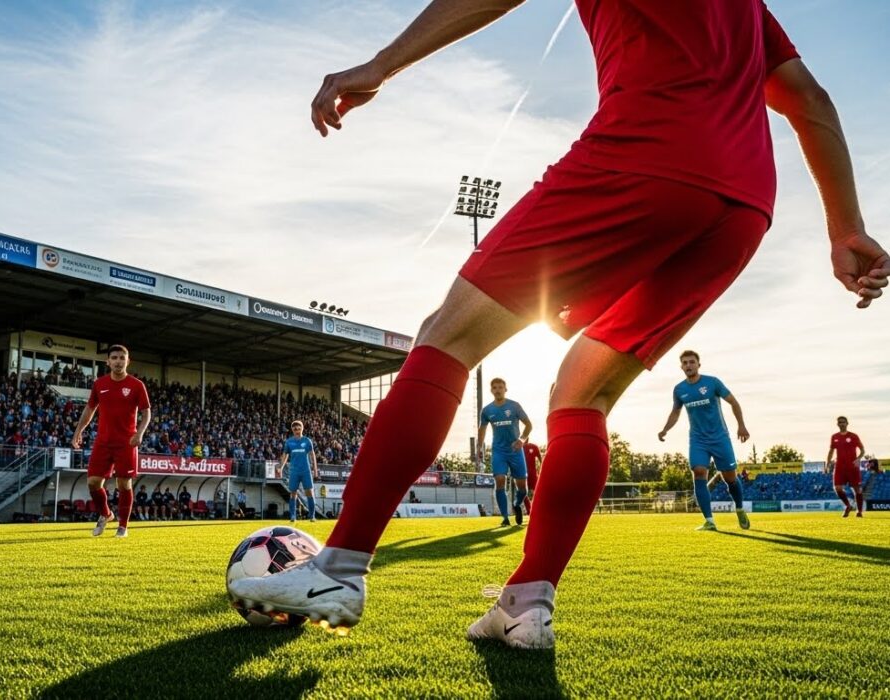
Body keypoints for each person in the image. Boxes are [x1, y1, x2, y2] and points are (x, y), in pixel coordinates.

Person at [229, 0, 889, 651]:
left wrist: (381, 64)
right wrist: (845, 228)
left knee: (448, 337)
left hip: (648, 148)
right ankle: (527, 603)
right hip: (743, 205)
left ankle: (340, 566)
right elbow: (808, 98)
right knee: (583, 391)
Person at [659, 351, 751, 531]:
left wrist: (741, 426)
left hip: (720, 438)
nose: (688, 365)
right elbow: (675, 412)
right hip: (697, 440)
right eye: (685, 363)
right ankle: (709, 521)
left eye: (692, 362)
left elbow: (734, 402)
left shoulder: (712, 382)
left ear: (698, 365)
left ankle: (739, 508)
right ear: (681, 367)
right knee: (699, 472)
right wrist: (665, 429)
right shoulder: (679, 390)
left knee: (730, 478)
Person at [72, 345, 151, 538]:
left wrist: (140, 433)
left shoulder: (136, 385)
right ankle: (106, 514)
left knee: (124, 484)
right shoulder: (99, 384)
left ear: (128, 361)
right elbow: (89, 409)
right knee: (93, 482)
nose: (118, 361)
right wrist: (78, 431)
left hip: (126, 442)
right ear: (108, 361)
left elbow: (146, 412)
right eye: (114, 358)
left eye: (122, 358)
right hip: (103, 442)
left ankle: (123, 526)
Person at [477, 378, 533, 526]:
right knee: (500, 481)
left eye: (500, 387)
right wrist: (479, 447)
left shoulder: (514, 406)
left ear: (505, 389)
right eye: (495, 388)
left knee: (523, 488)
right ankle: (505, 518)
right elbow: (482, 429)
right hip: (498, 451)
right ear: (491, 390)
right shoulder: (487, 410)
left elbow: (528, 425)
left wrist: (521, 440)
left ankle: (517, 504)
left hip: (516, 451)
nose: (498, 390)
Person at [278, 420, 318, 523]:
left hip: (306, 471)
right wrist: (281, 467)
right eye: (295, 429)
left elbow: (312, 455)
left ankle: (312, 516)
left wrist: (315, 470)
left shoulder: (307, 441)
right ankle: (293, 516)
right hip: (294, 471)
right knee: (293, 493)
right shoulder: (289, 442)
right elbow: (285, 455)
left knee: (309, 493)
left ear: (302, 429)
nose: (297, 430)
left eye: (299, 428)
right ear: (292, 430)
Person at [825, 416, 865, 517]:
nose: (842, 424)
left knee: (857, 489)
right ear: (837, 424)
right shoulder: (834, 437)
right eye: (840, 422)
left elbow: (862, 450)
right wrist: (827, 463)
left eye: (843, 422)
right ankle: (848, 505)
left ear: (847, 423)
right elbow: (831, 451)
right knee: (837, 488)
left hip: (852, 466)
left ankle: (859, 511)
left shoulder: (854, 436)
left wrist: (858, 458)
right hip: (839, 466)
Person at [521, 441, 541, 516]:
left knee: (538, 491)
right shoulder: (519, 448)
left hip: (533, 474)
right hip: (523, 474)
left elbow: (540, 459)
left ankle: (537, 509)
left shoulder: (534, 447)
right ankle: (529, 510)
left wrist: (541, 470)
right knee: (522, 492)